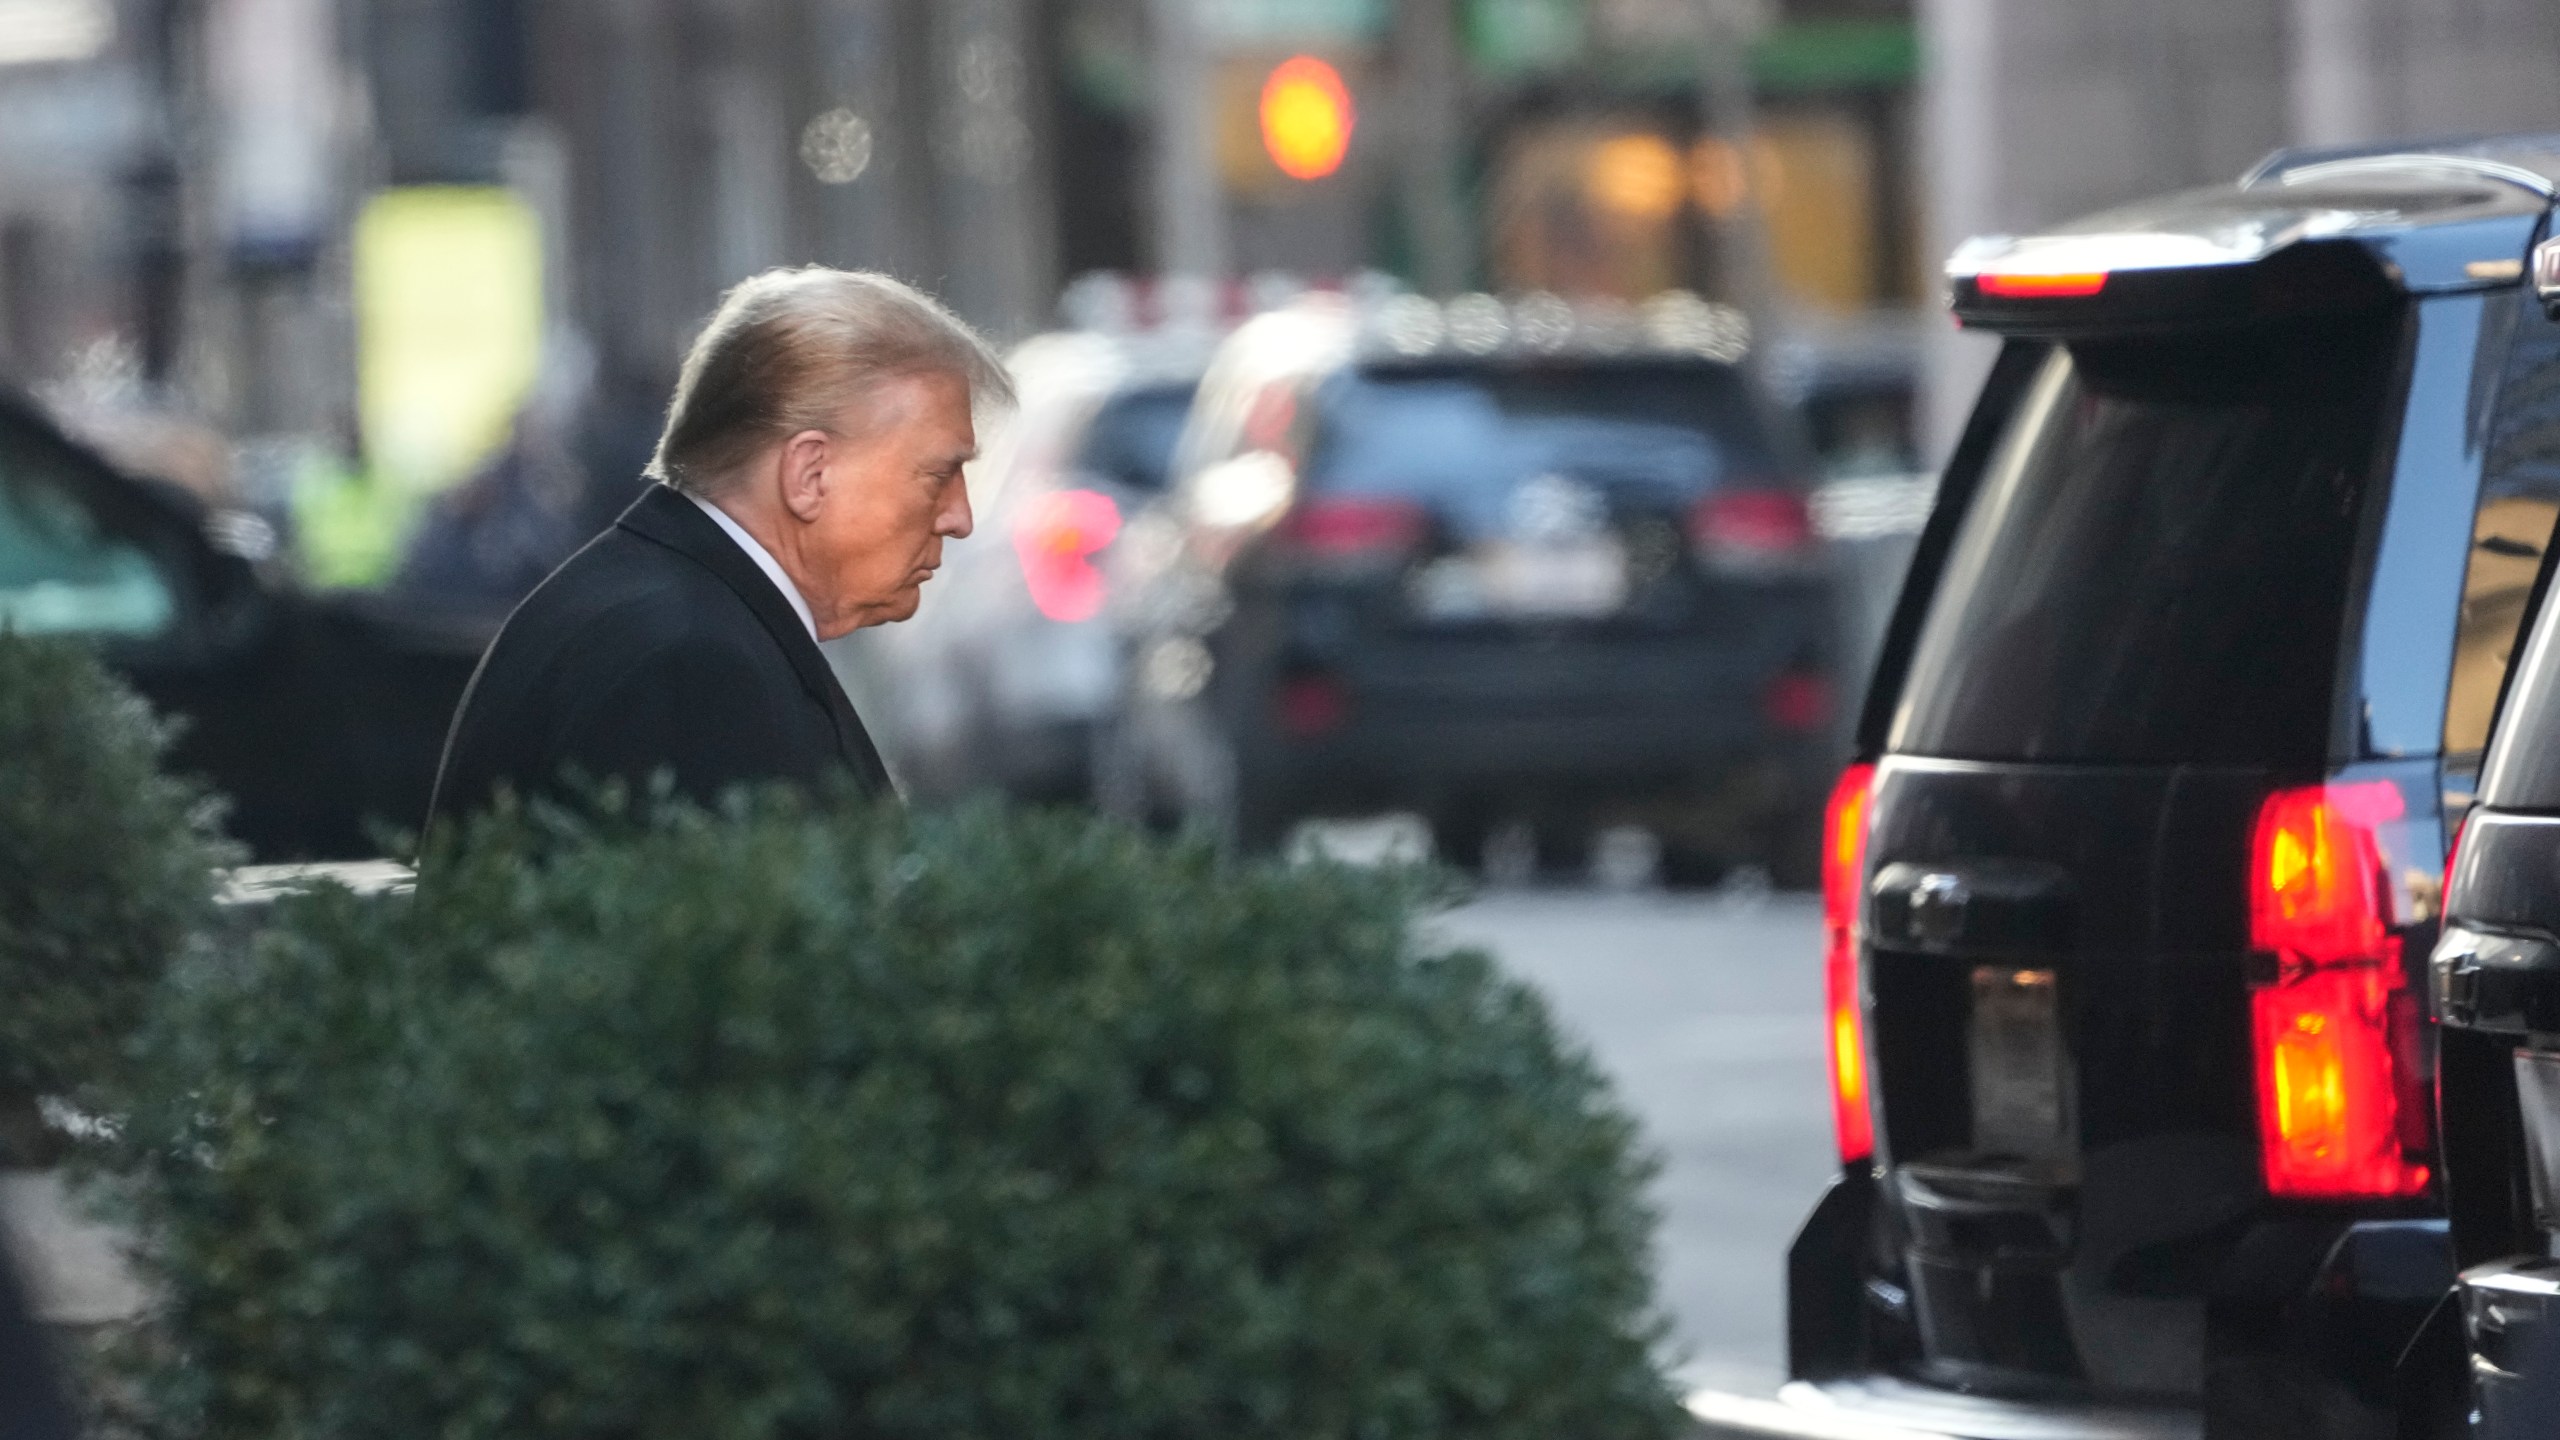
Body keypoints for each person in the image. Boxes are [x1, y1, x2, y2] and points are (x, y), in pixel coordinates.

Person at [425, 268, 1011, 829]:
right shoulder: (688, 662)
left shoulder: (680, 614)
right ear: (810, 474)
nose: (959, 517)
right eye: (939, 475)